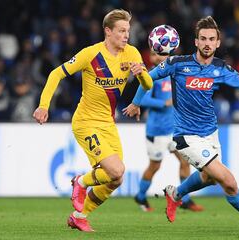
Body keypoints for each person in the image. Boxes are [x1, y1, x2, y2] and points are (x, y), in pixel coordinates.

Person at [124, 16, 239, 231]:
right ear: (196, 42)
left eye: (212, 39)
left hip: (210, 133)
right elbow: (147, 78)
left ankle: (176, 194)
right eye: (203, 38)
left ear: (218, 42)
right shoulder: (177, 64)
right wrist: (136, 103)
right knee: (227, 181)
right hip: (186, 136)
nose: (207, 43)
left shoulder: (221, 69)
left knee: (208, 178)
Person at [33, 9, 153, 232]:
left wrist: (141, 74)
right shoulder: (91, 54)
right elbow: (56, 74)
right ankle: (80, 182)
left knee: (115, 179)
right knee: (116, 170)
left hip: (108, 124)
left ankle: (79, 216)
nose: (126, 35)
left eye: (127, 31)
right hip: (85, 123)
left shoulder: (133, 54)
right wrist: (43, 105)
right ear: (108, 31)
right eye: (121, 31)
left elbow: (148, 85)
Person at [134, 51, 203, 212]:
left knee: (185, 161)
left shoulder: (174, 73)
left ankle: (185, 199)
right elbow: (143, 99)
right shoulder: (150, 76)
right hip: (156, 131)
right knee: (155, 166)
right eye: (152, 55)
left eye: (161, 54)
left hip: (174, 130)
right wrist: (164, 102)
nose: (156, 58)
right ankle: (141, 196)